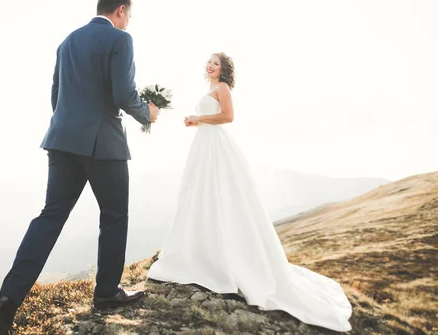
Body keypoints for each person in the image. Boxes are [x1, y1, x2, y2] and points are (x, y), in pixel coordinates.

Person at [0, 0, 159, 335]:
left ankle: (7, 298)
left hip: (62, 141)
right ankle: (107, 292)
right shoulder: (120, 40)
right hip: (103, 144)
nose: (127, 24)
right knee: (113, 216)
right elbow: (123, 94)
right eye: (129, 18)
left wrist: (71, 126)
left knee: (50, 216)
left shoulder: (67, 42)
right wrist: (148, 114)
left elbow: (56, 94)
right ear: (121, 11)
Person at [147, 53, 353, 332]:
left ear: (224, 70)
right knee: (199, 195)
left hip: (217, 146)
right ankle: (199, 250)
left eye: (216, 63)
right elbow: (214, 117)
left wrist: (199, 117)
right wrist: (197, 122)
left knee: (219, 196)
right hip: (204, 144)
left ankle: (222, 258)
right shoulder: (210, 89)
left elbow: (228, 116)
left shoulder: (222, 88)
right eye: (209, 61)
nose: (210, 65)